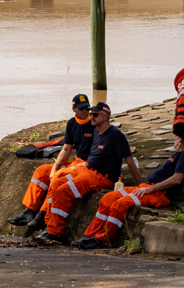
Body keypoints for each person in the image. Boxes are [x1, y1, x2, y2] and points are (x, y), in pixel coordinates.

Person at [36, 102, 142, 242]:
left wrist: (140, 185)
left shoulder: (116, 136)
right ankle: (48, 225)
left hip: (101, 177)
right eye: (91, 114)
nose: (91, 117)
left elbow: (129, 161)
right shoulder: (96, 131)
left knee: (63, 191)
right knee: (56, 180)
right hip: (87, 170)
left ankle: (55, 232)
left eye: (95, 115)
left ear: (105, 116)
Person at [71, 136, 184, 249]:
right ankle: (89, 235)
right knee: (107, 198)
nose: (175, 139)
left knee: (120, 204)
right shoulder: (178, 155)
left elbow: (177, 179)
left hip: (157, 193)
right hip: (146, 187)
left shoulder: (183, 155)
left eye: (177, 137)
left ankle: (102, 239)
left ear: (180, 141)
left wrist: (150, 189)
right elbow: (179, 182)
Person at [8, 94, 94, 230]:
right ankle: (29, 211)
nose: (85, 111)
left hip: (87, 165)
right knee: (41, 171)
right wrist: (55, 167)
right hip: (76, 161)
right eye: (81, 108)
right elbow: (66, 149)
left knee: (58, 179)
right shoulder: (72, 124)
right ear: (74, 109)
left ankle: (42, 214)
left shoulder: (94, 123)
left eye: (87, 108)